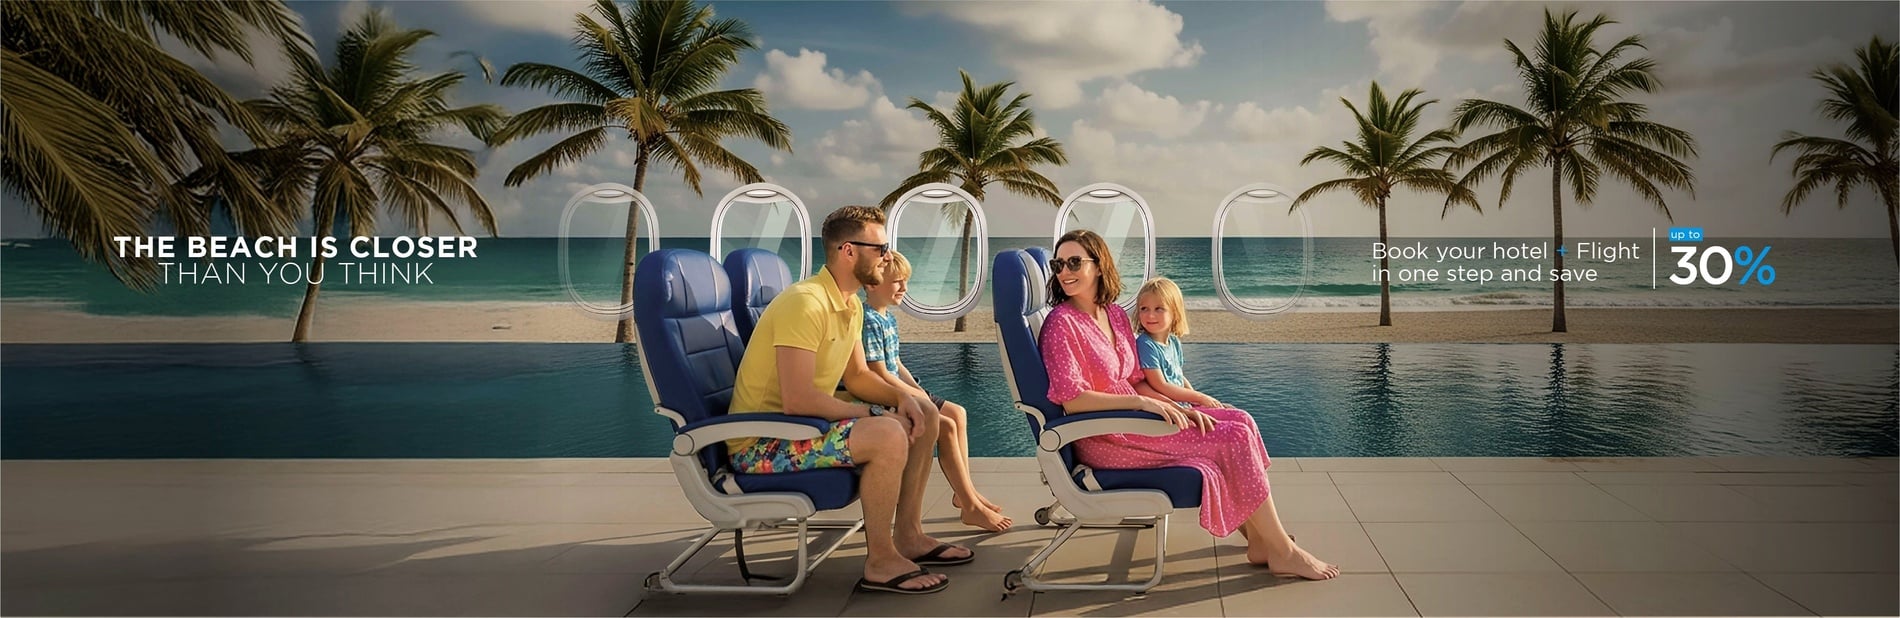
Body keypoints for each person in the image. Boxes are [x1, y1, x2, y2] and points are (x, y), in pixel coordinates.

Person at [1037, 230, 1339, 580]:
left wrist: (1177, 406)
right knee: (1233, 440)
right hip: (1108, 435)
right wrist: (1141, 404)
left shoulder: (1115, 314)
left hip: (1136, 419)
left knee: (1240, 420)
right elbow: (1072, 400)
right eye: (1058, 264)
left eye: (1075, 262)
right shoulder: (1061, 324)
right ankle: (1283, 552)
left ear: (1099, 266)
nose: (1064, 271)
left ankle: (1257, 537)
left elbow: (1136, 378)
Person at [727, 205, 974, 595]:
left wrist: (902, 399)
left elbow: (858, 376)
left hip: (800, 431)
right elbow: (797, 399)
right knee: (888, 434)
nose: (887, 257)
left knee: (923, 411)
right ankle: (880, 560)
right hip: (763, 443)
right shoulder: (805, 303)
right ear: (848, 251)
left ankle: (909, 536)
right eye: (880, 249)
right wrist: (877, 413)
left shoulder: (850, 302)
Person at [861, 251, 1013, 533]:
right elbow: (879, 374)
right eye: (897, 282)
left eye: (906, 281)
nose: (904, 289)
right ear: (871, 285)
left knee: (958, 412)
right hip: (886, 394)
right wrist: (913, 396)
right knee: (947, 426)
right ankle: (969, 505)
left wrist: (919, 390)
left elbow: (896, 363)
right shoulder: (867, 320)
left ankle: (963, 489)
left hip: (903, 389)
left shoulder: (887, 318)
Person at [1133, 277, 1226, 410]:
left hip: (1184, 405)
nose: (1150, 315)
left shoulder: (1174, 342)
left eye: (1159, 309)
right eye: (1144, 309)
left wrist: (1197, 400)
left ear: (1175, 313)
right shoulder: (1145, 344)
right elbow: (1160, 385)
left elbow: (1179, 377)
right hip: (1167, 411)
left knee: (1236, 412)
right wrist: (1199, 398)